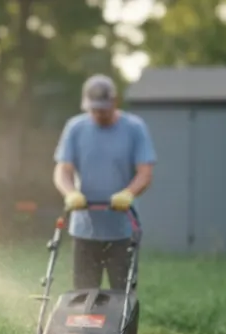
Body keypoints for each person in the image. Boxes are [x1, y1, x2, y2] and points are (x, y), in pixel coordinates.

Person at [52, 74, 156, 291]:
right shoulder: (75, 128)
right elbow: (62, 170)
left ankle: (122, 317)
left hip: (122, 230)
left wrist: (128, 193)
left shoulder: (134, 128)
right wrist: (70, 193)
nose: (98, 114)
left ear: (115, 101)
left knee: (123, 296)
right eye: (94, 109)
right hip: (84, 230)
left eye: (103, 109)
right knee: (83, 296)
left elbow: (145, 173)